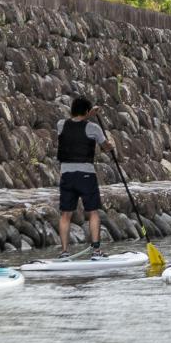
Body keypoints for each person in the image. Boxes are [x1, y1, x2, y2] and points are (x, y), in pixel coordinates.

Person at [57, 95, 114, 257]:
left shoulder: (61, 125)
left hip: (67, 175)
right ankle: (96, 250)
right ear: (87, 111)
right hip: (86, 175)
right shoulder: (94, 128)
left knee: (65, 214)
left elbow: (76, 121)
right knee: (93, 212)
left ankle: (64, 251)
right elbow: (105, 146)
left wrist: (89, 113)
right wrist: (110, 146)